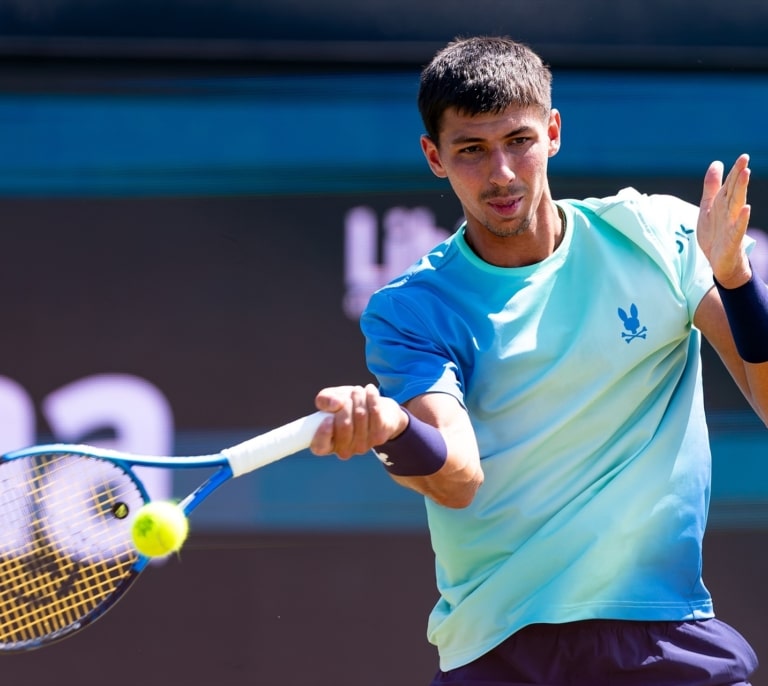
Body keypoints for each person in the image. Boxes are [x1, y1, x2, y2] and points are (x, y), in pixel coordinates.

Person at [310, 36, 765, 685]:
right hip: (502, 648)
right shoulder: (413, 309)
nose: (501, 173)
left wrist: (737, 281)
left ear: (552, 133)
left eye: (518, 141)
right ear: (434, 157)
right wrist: (392, 434)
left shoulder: (654, 236)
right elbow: (457, 474)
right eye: (471, 150)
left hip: (660, 631)